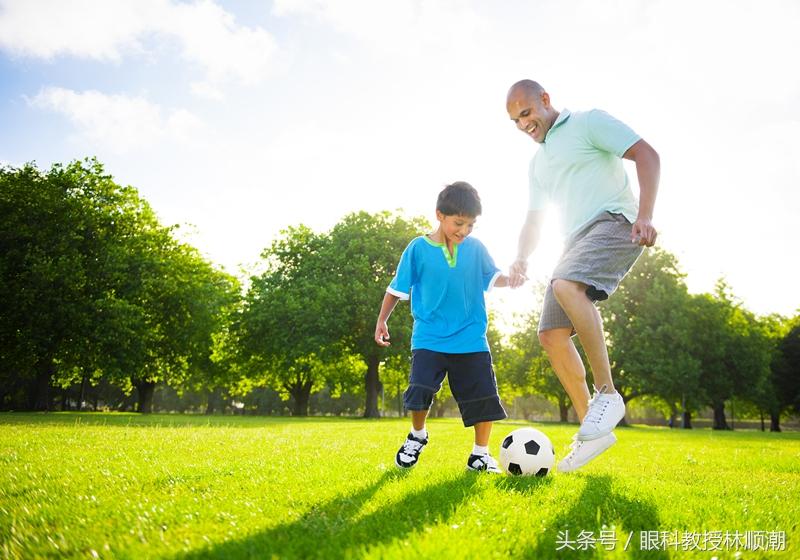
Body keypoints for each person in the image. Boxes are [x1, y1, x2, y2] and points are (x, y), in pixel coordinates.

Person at [505, 79, 660, 473]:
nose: (524, 124)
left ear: (545, 100)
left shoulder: (588, 122)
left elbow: (647, 154)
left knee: (565, 284)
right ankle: (593, 432)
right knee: (550, 335)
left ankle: (607, 394)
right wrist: (522, 257)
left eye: (526, 113)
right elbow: (535, 219)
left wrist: (644, 215)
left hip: (614, 222)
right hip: (573, 240)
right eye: (515, 120)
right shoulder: (537, 164)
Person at [375, 181, 512, 473]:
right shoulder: (418, 248)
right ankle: (417, 435)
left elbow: (492, 277)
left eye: (470, 225)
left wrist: (510, 279)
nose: (463, 231)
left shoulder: (475, 248)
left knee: (483, 397)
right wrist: (382, 320)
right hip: (429, 336)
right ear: (440, 215)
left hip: (470, 338)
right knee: (419, 390)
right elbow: (397, 288)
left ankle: (480, 455)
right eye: (458, 223)